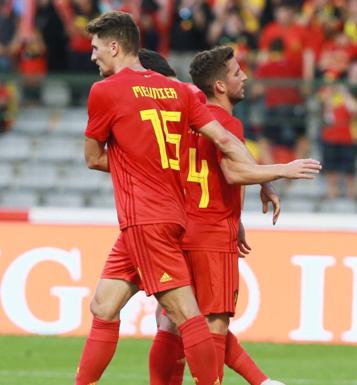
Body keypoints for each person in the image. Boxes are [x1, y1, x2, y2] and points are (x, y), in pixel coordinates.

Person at [75, 11, 316, 385]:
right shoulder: (178, 91)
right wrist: (266, 178)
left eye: (95, 49)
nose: (92, 57)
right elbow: (223, 140)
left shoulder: (104, 91)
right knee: (103, 306)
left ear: (114, 45)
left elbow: (93, 158)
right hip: (172, 215)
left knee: (187, 317)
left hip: (146, 217)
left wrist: (139, 167)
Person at [138, 47, 317, 385]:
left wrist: (241, 214)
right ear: (220, 85)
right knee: (215, 324)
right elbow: (232, 172)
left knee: (173, 321)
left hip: (180, 228)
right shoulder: (225, 122)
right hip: (211, 232)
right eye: (237, 73)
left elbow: (206, 172)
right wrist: (281, 171)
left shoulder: (187, 116)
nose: (245, 77)